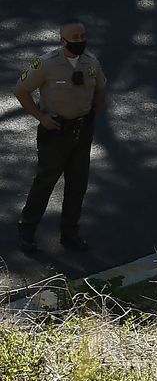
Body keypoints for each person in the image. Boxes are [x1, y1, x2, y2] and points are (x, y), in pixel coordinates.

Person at [15, 20, 106, 254]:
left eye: (82, 36)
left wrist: (92, 114)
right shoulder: (46, 64)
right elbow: (21, 90)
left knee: (78, 185)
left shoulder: (91, 63)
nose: (80, 41)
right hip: (55, 131)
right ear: (62, 40)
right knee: (45, 182)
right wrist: (40, 117)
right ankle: (27, 229)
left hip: (81, 131)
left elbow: (100, 88)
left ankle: (69, 233)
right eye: (74, 37)